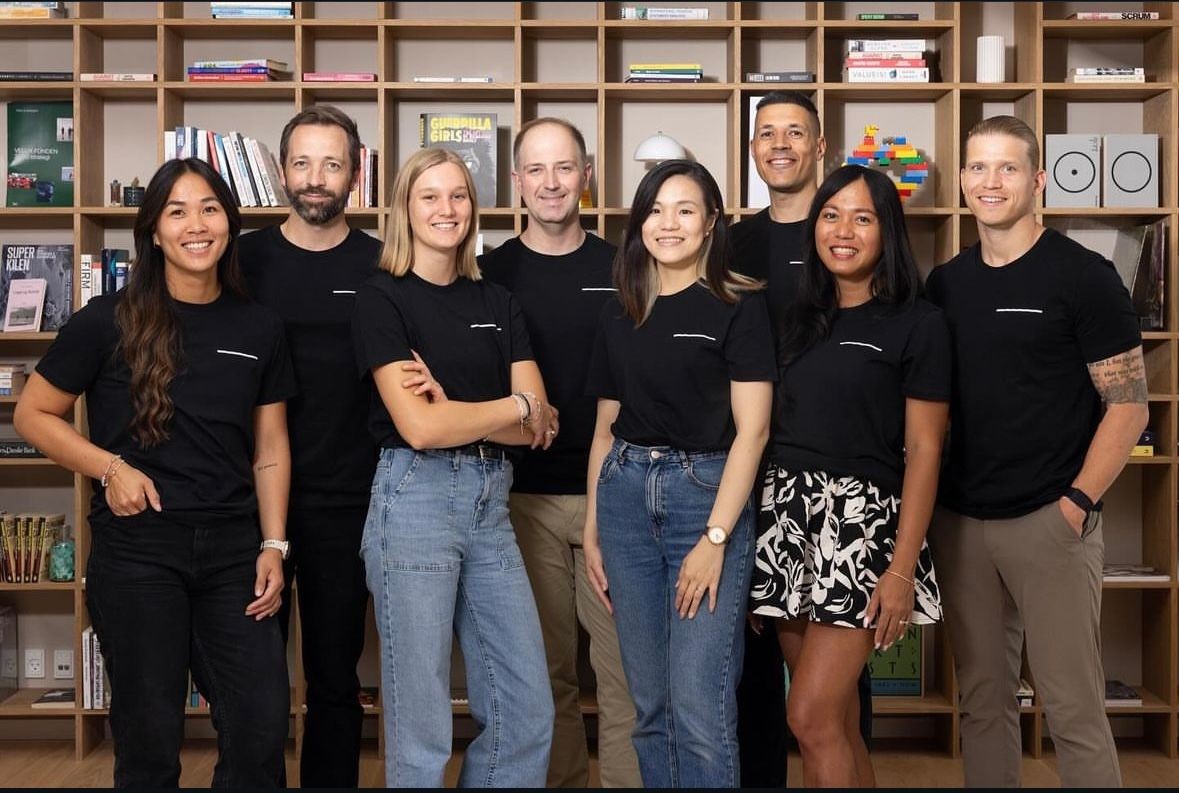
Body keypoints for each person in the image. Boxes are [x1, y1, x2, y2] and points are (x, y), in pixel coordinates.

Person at [14, 157, 294, 787]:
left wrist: (274, 542)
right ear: (155, 232)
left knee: (261, 726)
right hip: (139, 552)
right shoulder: (106, 320)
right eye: (177, 212)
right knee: (148, 738)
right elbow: (34, 414)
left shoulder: (260, 325)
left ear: (230, 223)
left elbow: (270, 446)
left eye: (210, 209)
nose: (196, 225)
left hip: (234, 554)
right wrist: (110, 468)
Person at [926, 115, 1146, 788]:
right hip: (961, 524)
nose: (989, 182)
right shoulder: (944, 284)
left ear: (1037, 179)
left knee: (1072, 707)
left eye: (1007, 167)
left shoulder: (1083, 276)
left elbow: (1128, 404)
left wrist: (1075, 504)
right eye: (977, 167)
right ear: (962, 178)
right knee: (982, 705)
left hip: (1049, 522)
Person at [351, 146, 556, 788]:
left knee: (527, 711)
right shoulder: (381, 300)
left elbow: (540, 428)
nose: (447, 209)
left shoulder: (497, 299)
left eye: (459, 195)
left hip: (490, 506)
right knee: (421, 730)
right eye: (430, 196)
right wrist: (510, 405)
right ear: (405, 210)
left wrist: (475, 411)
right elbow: (420, 427)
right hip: (414, 503)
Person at [750, 164, 948, 787]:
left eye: (862, 218)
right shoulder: (795, 321)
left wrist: (900, 569)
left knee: (807, 716)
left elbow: (924, 451)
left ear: (887, 232)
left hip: (863, 531)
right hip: (786, 521)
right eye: (830, 216)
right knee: (830, 722)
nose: (843, 231)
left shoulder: (920, 324)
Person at [584, 159, 776, 787]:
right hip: (624, 498)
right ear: (639, 222)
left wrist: (716, 541)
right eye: (656, 210)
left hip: (706, 498)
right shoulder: (622, 309)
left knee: (700, 706)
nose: (669, 224)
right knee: (650, 707)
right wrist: (592, 525)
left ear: (711, 221)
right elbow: (605, 427)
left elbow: (754, 431)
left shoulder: (740, 305)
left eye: (686, 209)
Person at [478, 118, 641, 788]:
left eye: (564, 167)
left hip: (617, 495)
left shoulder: (623, 267)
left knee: (627, 672)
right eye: (536, 170)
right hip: (523, 498)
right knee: (545, 676)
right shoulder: (488, 275)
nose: (550, 183)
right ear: (515, 182)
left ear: (586, 175)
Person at [730, 91, 875, 784]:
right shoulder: (731, 241)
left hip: (839, 480)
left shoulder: (848, 235)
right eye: (765, 132)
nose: (778, 143)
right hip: (749, 472)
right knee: (752, 668)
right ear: (752, 148)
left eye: (794, 131)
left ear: (821, 146)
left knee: (837, 685)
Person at [238, 105, 380, 788]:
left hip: (348, 498)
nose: (316, 178)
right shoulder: (243, 259)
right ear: (280, 169)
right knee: (252, 680)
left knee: (333, 676)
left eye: (332, 163)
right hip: (247, 500)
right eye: (302, 162)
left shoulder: (385, 260)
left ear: (356, 171)